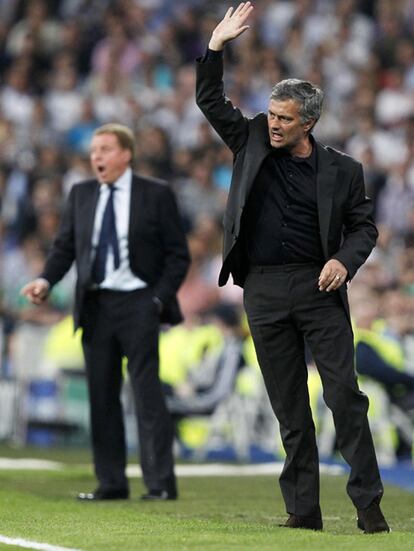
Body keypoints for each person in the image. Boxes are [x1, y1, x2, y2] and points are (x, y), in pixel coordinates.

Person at [196, 2, 389, 533]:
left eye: (284, 119)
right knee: (288, 407)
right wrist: (215, 47)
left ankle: (369, 507)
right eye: (272, 115)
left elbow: (364, 229)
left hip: (318, 286)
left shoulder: (343, 171)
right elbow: (210, 100)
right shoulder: (251, 139)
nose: (274, 124)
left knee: (344, 397)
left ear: (308, 122)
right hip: (261, 287)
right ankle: (304, 512)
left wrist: (342, 262)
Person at [21, 123, 190, 501]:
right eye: (94, 150)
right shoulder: (81, 194)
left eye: (105, 149)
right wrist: (46, 281)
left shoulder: (156, 194)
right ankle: (111, 483)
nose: (96, 156)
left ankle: (160, 484)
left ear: (126, 154)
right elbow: (64, 249)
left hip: (139, 302)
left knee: (147, 395)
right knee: (102, 395)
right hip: (96, 305)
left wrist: (157, 300)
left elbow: (178, 256)